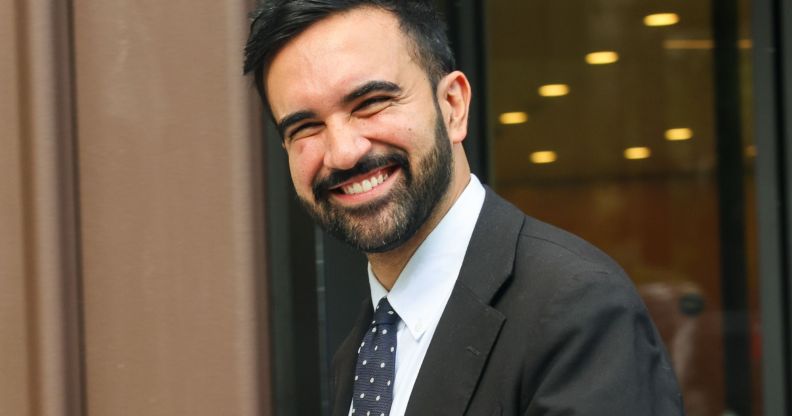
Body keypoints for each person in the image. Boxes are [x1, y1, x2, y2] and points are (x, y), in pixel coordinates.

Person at [244, 1, 684, 414]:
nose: (342, 152)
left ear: (453, 106)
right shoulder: (366, 347)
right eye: (305, 127)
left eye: (371, 103)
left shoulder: (577, 309)